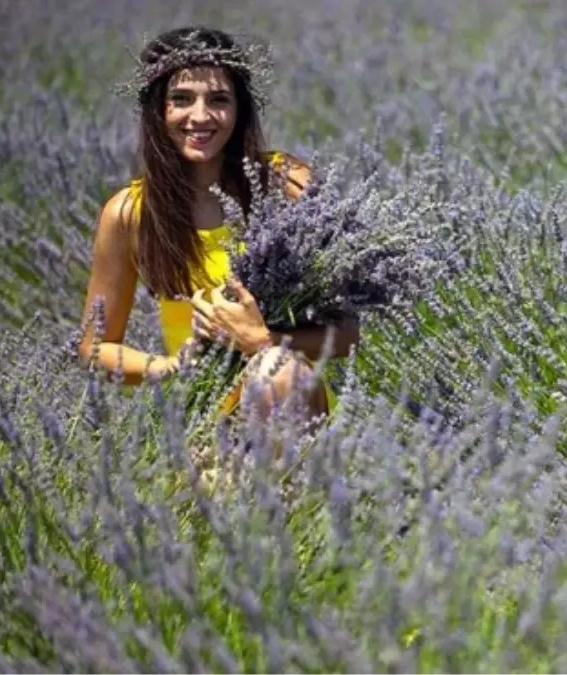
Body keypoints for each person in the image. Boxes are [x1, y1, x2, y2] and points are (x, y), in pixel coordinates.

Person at [76, 26, 359, 423]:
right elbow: (95, 348)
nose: (201, 116)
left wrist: (262, 341)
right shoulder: (130, 214)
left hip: (294, 410)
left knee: (274, 367)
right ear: (158, 110)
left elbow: (347, 334)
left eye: (219, 100)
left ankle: (293, 484)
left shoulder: (287, 185)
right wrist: (171, 368)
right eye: (181, 99)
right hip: (200, 423)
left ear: (240, 109)